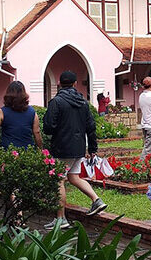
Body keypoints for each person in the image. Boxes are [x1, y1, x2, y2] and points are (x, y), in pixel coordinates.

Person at [43, 71, 106, 229]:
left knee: (58, 180)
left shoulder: (56, 102)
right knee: (73, 177)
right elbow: (91, 127)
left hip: (62, 147)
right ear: (75, 83)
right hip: (79, 147)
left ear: (59, 83)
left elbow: (48, 127)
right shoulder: (83, 102)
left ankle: (61, 219)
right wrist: (92, 147)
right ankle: (96, 200)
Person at [0, 81, 41, 150]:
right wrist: (40, 149)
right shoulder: (32, 112)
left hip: (8, 151)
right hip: (27, 151)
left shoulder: (2, 112)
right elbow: (37, 132)